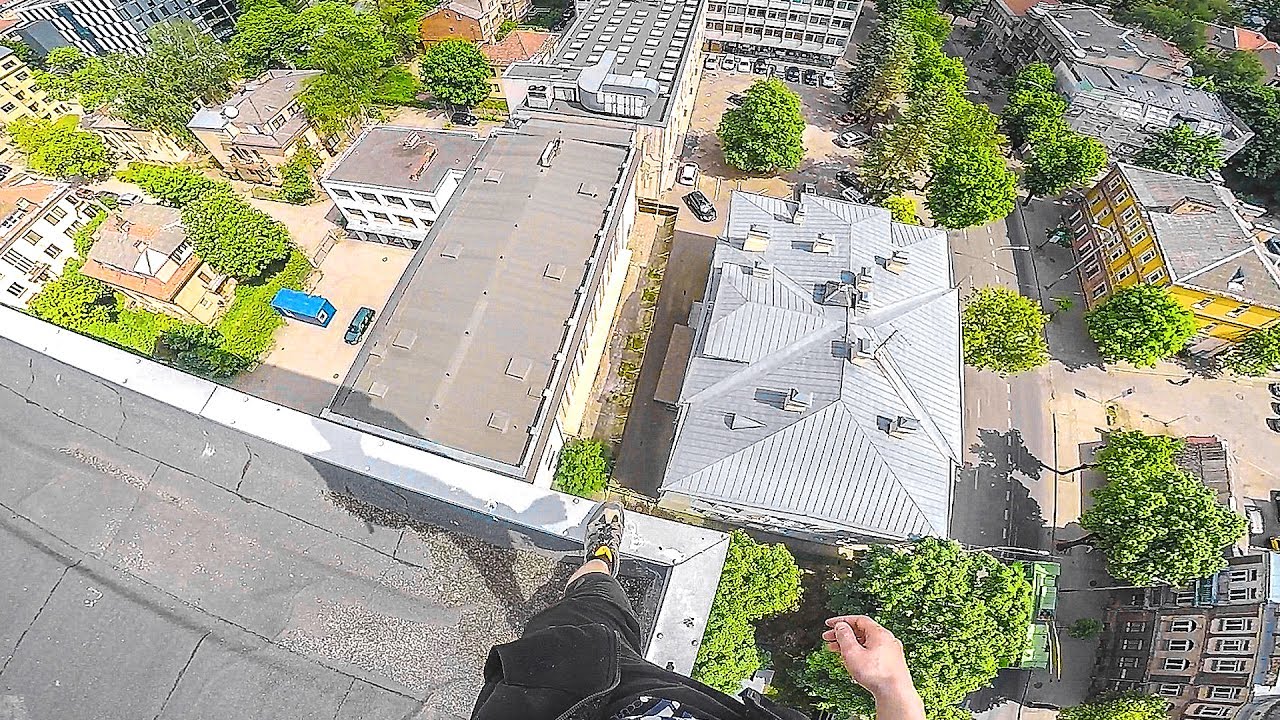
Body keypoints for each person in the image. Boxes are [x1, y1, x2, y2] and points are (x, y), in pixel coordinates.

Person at [471, 502, 926, 720]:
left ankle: (602, 559)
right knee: (601, 608)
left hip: (559, 701)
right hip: (642, 692)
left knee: (594, 611)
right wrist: (891, 687)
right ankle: (601, 561)